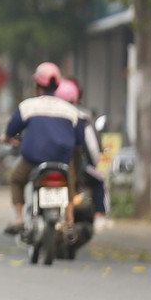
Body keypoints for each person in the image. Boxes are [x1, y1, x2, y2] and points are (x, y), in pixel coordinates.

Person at [1, 62, 85, 234]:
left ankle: (19, 219)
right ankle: (69, 219)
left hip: (33, 160)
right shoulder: (71, 110)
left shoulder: (28, 106)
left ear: (37, 85)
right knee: (70, 181)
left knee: (16, 179)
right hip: (62, 162)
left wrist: (7, 138)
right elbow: (80, 140)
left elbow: (11, 130)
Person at [55, 78, 107, 226]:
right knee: (100, 180)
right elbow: (90, 146)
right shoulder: (81, 117)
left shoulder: (50, 114)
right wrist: (93, 162)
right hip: (75, 165)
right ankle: (98, 216)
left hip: (49, 161)